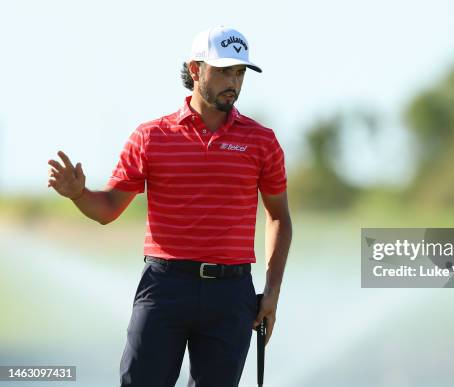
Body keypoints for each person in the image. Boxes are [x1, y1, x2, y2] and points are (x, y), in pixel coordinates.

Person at [46, 25, 292, 387]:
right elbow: (109, 208)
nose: (234, 82)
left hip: (231, 293)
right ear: (195, 70)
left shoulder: (261, 141)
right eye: (224, 70)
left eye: (240, 73)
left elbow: (278, 218)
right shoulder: (151, 137)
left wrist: (271, 292)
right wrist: (80, 195)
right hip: (164, 287)